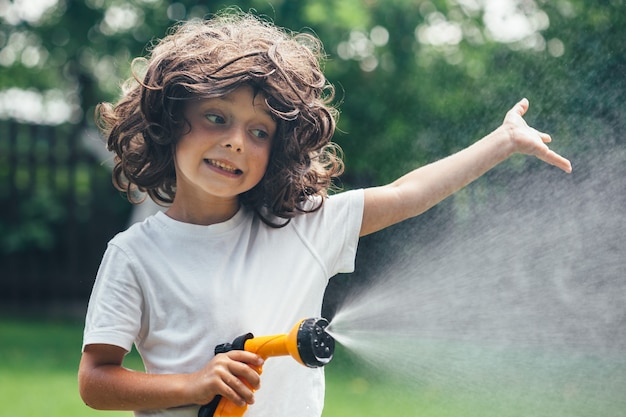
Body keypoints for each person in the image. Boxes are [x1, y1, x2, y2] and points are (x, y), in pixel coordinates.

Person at [77, 9, 572, 417]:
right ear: (171, 119)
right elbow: (96, 380)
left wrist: (502, 141)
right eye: (216, 117)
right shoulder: (134, 255)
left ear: (280, 148)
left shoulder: (302, 226)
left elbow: (406, 193)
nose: (235, 141)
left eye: (259, 131)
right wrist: (192, 385)